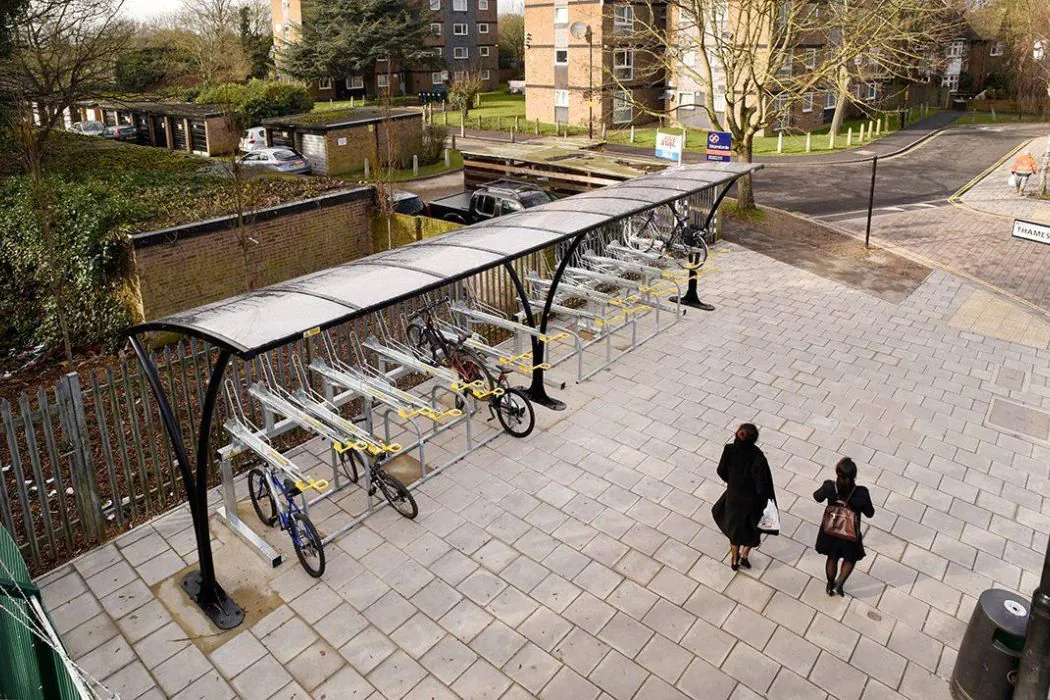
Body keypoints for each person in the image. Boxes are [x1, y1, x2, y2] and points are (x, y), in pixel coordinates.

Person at [712, 423, 776, 571]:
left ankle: (734, 560)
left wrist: (733, 483)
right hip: (751, 503)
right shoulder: (759, 459)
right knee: (754, 530)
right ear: (754, 439)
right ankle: (744, 556)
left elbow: (721, 470)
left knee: (735, 531)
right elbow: (762, 487)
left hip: (733, 498)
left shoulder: (729, 449)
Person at [814, 458, 874, 596]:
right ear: (854, 476)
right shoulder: (861, 493)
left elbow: (817, 497)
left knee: (832, 557)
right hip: (850, 534)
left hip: (830, 531)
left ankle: (830, 585)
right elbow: (870, 513)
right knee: (850, 559)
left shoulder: (829, 487)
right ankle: (839, 585)